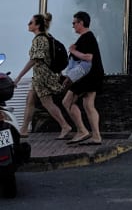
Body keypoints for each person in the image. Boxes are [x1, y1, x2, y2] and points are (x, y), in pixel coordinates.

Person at [13, 13, 73, 139]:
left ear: (37, 25)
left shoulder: (39, 39)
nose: (28, 24)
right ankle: (24, 129)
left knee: (47, 102)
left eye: (31, 22)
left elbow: (34, 60)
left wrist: (18, 77)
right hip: (41, 76)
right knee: (30, 99)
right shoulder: (46, 37)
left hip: (42, 76)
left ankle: (65, 126)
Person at [62, 11, 104, 145]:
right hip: (92, 75)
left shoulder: (87, 37)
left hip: (88, 76)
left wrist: (73, 51)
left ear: (81, 23)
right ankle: (95, 136)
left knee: (67, 102)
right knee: (88, 104)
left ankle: (82, 131)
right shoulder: (86, 37)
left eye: (74, 23)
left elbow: (88, 57)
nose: (73, 25)